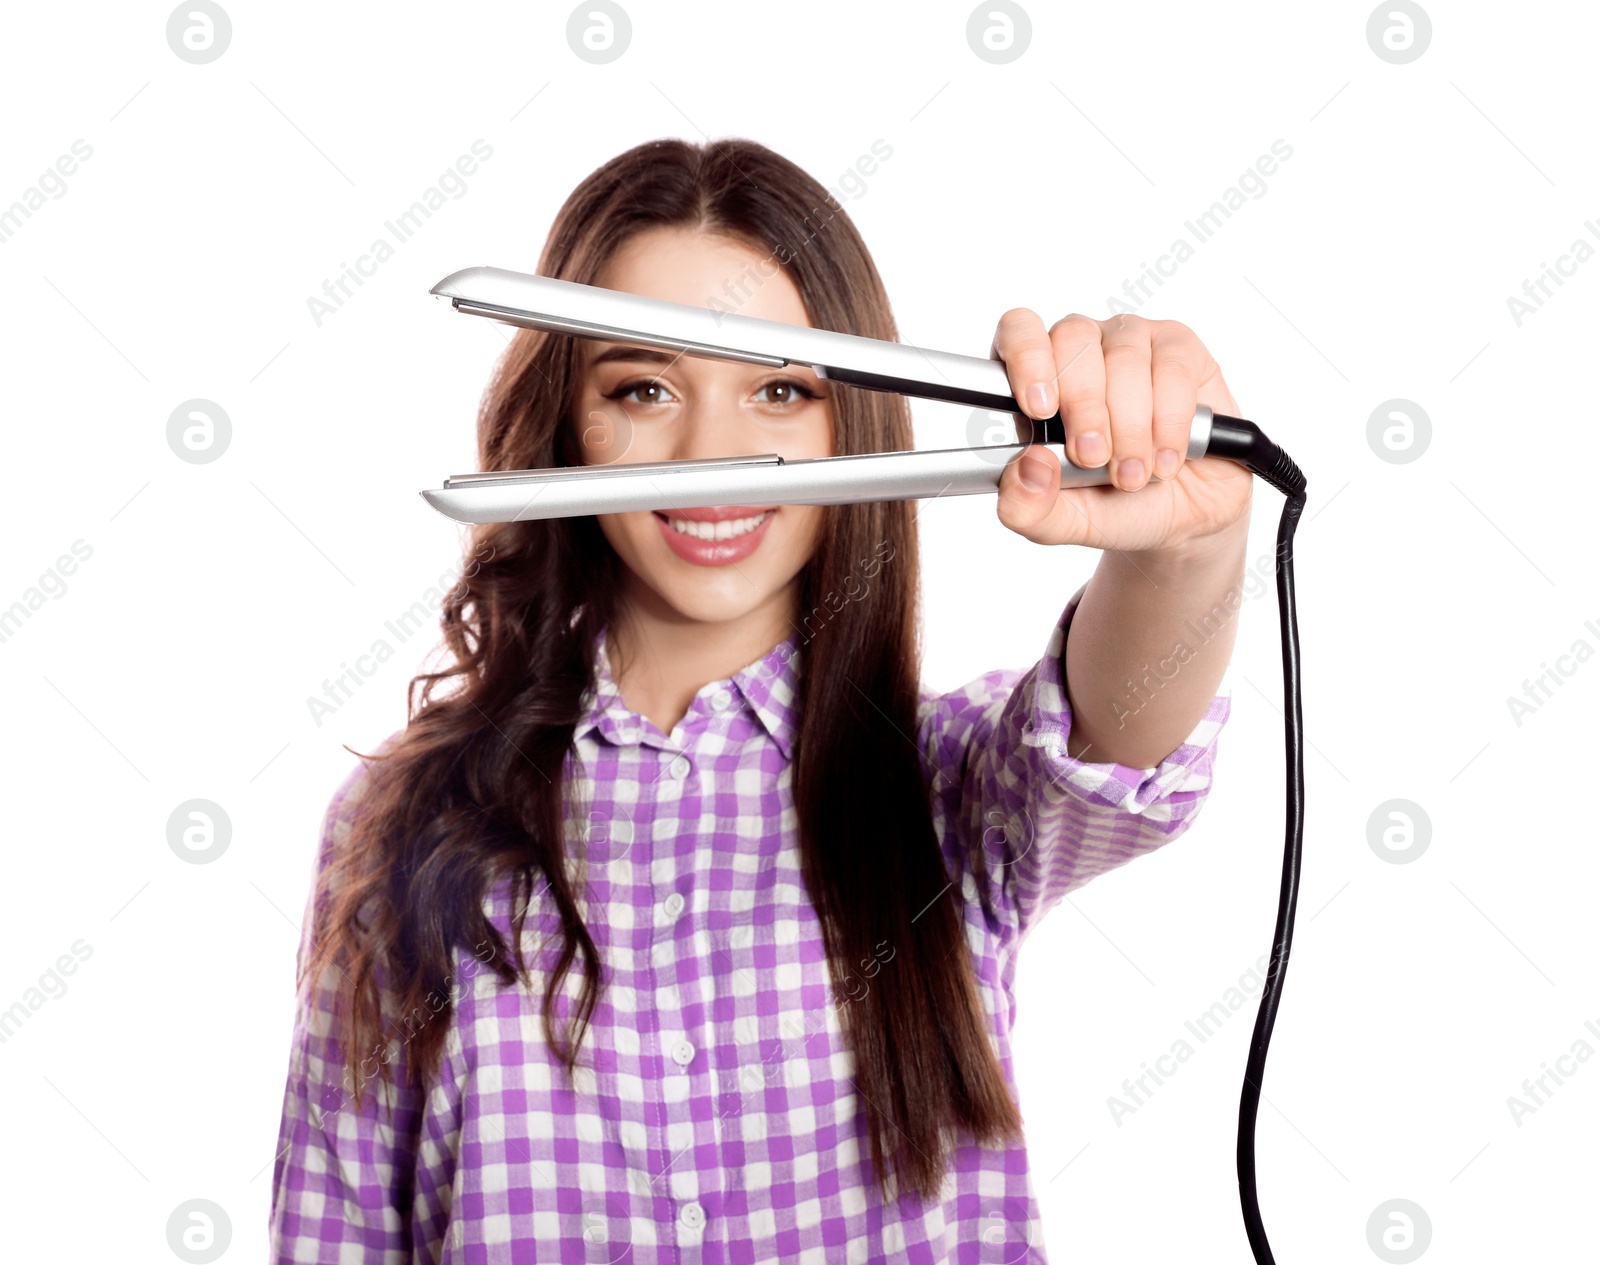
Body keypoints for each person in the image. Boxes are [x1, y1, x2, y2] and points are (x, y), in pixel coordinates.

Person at [268, 136, 1252, 1263]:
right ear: (567, 428)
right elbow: (336, 1230)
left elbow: (1116, 735)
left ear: (853, 421)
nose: (713, 452)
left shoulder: (943, 782)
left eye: (780, 389)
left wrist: (1189, 546)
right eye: (642, 387)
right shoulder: (400, 817)